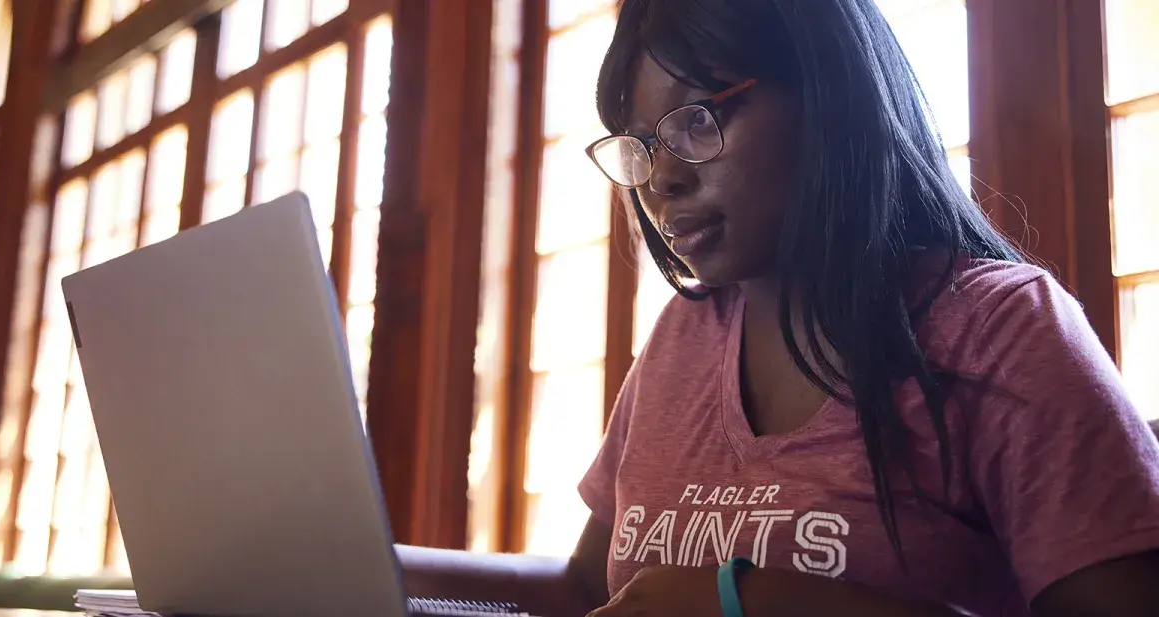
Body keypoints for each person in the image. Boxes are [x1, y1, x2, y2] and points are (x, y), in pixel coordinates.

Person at [395, 0, 1159, 616]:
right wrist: (374, 570)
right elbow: (587, 591)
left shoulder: (1001, 331)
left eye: (696, 120)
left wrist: (751, 597)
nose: (659, 181)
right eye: (638, 145)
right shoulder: (684, 338)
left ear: (830, 97)